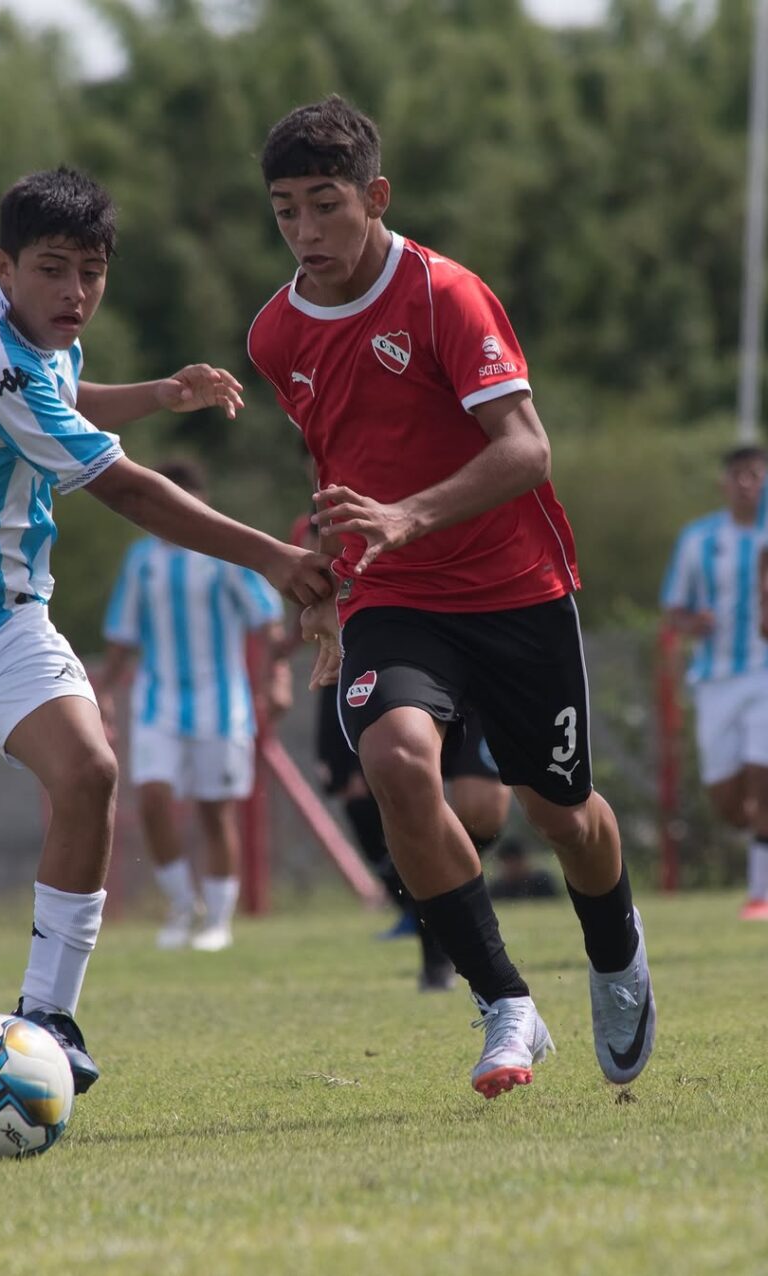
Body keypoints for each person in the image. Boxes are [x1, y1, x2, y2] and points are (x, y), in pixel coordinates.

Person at [0, 165, 332, 1135]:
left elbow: (69, 389)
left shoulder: (40, 344)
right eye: (52, 270)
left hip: (7, 616)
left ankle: (46, 1010)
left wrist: (154, 392)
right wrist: (274, 556)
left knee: (91, 767)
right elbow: (128, 492)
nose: (74, 293)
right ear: (1, 267)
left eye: (91, 272)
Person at [247, 96, 655, 1098]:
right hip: (395, 594)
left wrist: (405, 515)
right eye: (285, 211)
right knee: (391, 757)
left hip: (516, 591)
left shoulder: (444, 297)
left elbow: (525, 449)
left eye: (325, 206)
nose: (304, 233)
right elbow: (338, 463)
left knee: (563, 815)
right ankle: (503, 1000)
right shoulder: (273, 334)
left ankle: (615, 952)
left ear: (375, 197)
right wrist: (326, 577)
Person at [291, 505, 510, 990]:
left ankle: (455, 896)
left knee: (483, 809)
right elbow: (321, 611)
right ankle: (438, 938)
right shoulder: (328, 511)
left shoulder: (448, 485)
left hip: (473, 641)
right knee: (399, 803)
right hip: (388, 660)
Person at [96, 458, 290, 953]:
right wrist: (102, 694)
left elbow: (267, 622)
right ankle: (184, 904)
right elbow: (122, 635)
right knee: (154, 797)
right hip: (156, 701)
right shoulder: (141, 560)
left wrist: (279, 676)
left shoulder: (225, 555)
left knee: (213, 810)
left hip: (221, 704)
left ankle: (218, 921)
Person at [662, 445, 768, 921]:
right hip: (715, 679)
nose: (748, 483)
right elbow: (674, 609)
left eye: (756, 474)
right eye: (739, 475)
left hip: (764, 672)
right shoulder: (698, 539)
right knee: (728, 802)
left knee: (763, 776)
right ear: (725, 483)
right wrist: (692, 623)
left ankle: (759, 897)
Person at [488, 837, 559, 902]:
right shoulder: (496, 889)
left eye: (514, 861)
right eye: (507, 862)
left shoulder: (541, 883)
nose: (512, 867)